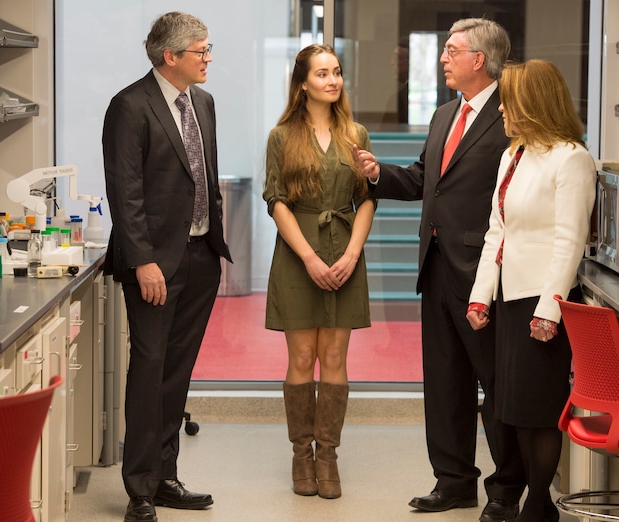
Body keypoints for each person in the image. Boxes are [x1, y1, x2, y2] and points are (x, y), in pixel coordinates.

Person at [353, 18, 526, 521]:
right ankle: (453, 482)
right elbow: (424, 180)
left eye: (453, 51)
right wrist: (377, 173)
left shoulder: (512, 113)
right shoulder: (444, 114)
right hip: (437, 268)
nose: (443, 58)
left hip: (487, 270)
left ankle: (505, 488)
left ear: (480, 59)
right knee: (444, 384)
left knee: (495, 387)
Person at [102, 11, 232, 522]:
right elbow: (125, 193)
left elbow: (204, 175)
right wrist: (143, 262)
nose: (208, 58)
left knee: (177, 374)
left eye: (208, 48)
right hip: (154, 266)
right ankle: (138, 487)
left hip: (200, 256)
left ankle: (165, 476)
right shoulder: (129, 106)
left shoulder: (203, 101)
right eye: (200, 51)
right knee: (149, 370)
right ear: (169, 57)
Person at [466, 59, 596, 522]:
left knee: (536, 413)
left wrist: (550, 310)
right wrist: (481, 294)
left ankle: (539, 507)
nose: (501, 109)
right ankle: (534, 506)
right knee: (509, 410)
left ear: (534, 103)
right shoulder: (513, 153)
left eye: (509, 101)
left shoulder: (572, 158)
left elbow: (569, 241)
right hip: (509, 299)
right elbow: (496, 231)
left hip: (543, 303)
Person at [263, 43, 376, 500]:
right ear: (303, 82)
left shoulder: (357, 133)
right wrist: (310, 257)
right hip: (297, 252)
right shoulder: (280, 136)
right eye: (323, 74)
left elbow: (367, 199)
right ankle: (300, 454)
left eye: (337, 72)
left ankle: (327, 454)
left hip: (345, 246)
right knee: (301, 358)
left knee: (334, 358)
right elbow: (276, 202)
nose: (333, 81)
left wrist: (350, 254)